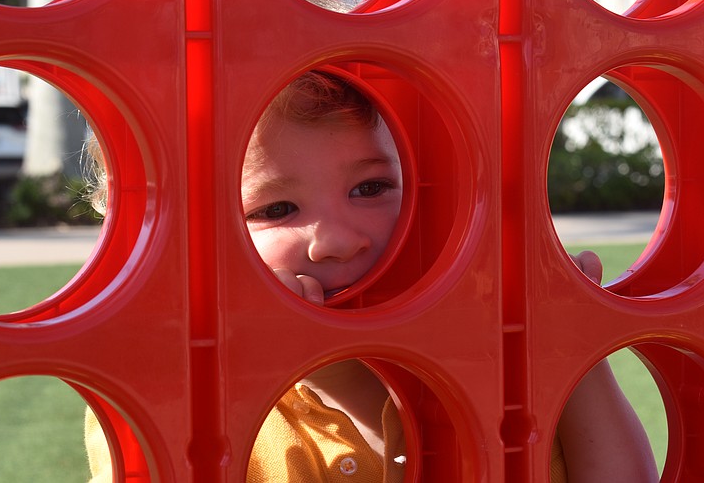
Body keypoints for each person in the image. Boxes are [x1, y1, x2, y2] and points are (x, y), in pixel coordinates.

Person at [83, 70, 658, 482]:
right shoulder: (166, 389)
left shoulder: (493, 341)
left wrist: (574, 354)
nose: (338, 241)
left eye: (370, 189)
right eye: (275, 210)